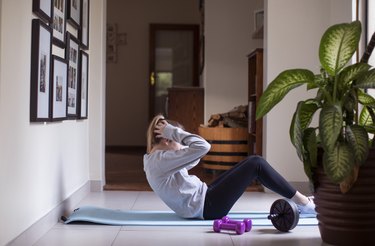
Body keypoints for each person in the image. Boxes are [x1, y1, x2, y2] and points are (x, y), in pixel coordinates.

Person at [143, 114, 316, 220]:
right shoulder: (160, 161)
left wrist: (177, 138)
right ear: (167, 140)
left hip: (205, 198)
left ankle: (300, 200)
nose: (182, 146)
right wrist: (174, 132)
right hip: (208, 207)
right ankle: (304, 203)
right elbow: (204, 147)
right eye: (179, 142)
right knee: (256, 164)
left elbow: (194, 157)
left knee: (252, 162)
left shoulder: (157, 160)